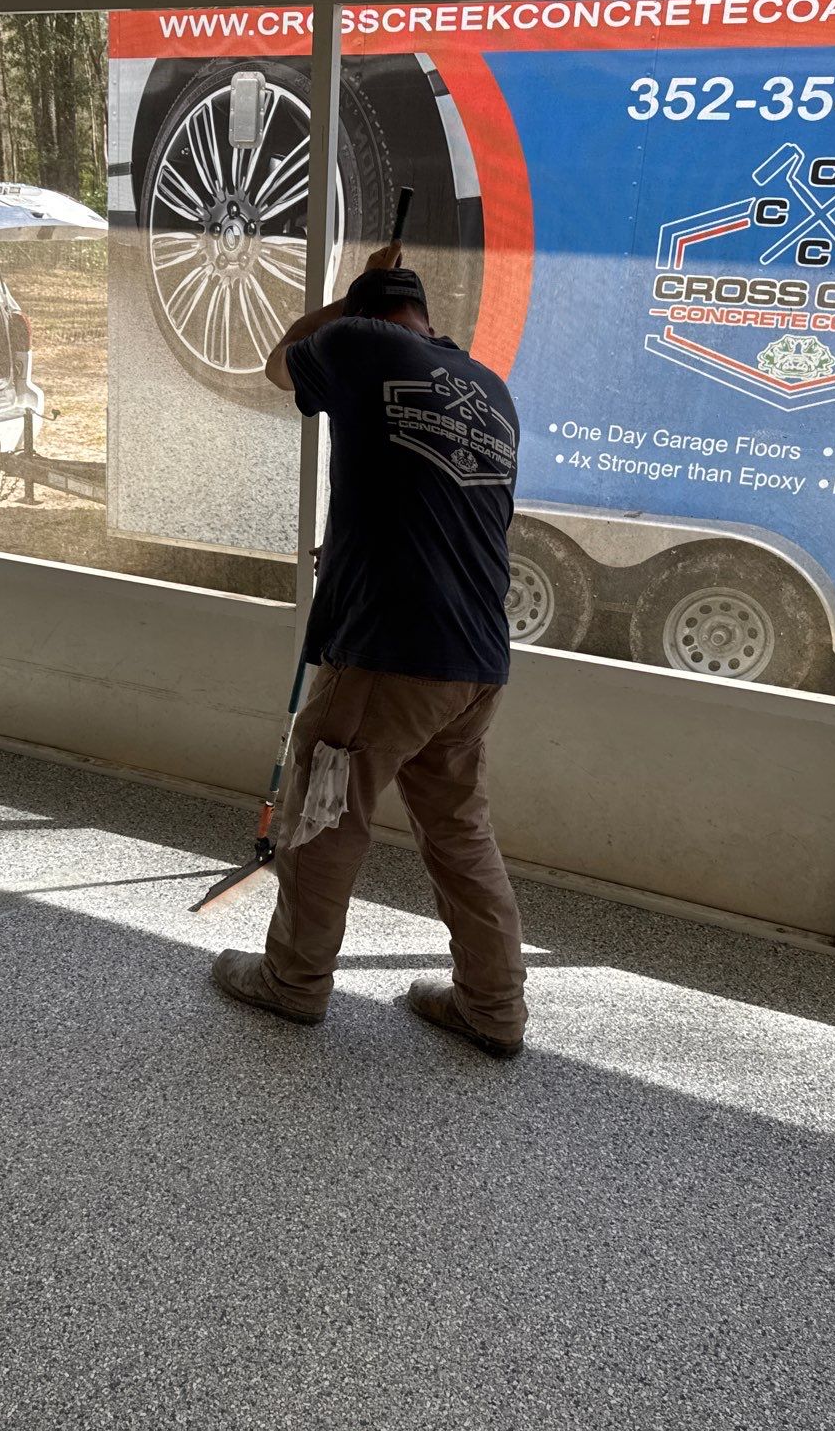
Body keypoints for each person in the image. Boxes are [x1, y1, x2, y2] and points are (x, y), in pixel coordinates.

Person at [210, 242, 528, 1059]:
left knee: (323, 816)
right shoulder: (491, 390)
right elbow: (428, 498)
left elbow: (281, 367)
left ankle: (293, 984)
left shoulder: (356, 343)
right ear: (428, 316)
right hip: (475, 659)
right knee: (459, 829)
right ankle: (494, 1008)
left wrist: (334, 307)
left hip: (388, 647)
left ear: (366, 313)